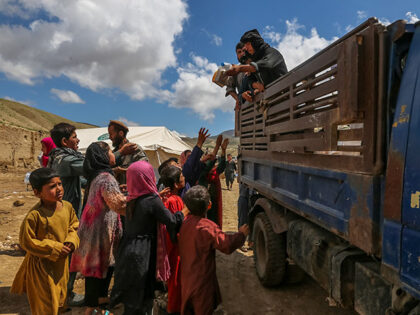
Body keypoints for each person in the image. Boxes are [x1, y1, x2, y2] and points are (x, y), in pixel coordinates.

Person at [110, 161, 187, 315]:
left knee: (132, 294)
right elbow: (171, 221)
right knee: (143, 293)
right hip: (143, 251)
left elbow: (144, 209)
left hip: (127, 249)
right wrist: (184, 211)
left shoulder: (131, 198)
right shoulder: (152, 199)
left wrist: (158, 197)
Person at [10, 168, 79, 315]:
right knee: (45, 305)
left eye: (60, 184)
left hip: (61, 264)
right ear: (37, 192)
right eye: (52, 187)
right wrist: (54, 248)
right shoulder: (35, 216)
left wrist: (71, 242)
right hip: (41, 268)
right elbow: (26, 242)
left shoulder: (67, 207)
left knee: (60, 296)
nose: (59, 189)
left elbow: (74, 226)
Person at [70, 142, 126, 315]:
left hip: (92, 229)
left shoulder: (98, 176)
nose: (112, 153)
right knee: (99, 271)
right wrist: (141, 197)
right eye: (109, 151)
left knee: (96, 271)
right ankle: (92, 308)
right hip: (99, 233)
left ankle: (97, 306)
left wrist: (120, 192)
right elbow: (118, 205)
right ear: (102, 156)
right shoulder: (107, 178)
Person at [178, 185, 249, 315]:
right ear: (209, 205)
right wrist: (241, 235)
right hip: (202, 284)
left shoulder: (183, 223)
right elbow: (226, 245)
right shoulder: (207, 227)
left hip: (187, 280)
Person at [226, 29, 288, 102]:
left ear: (255, 43)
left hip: (284, 96)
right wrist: (255, 85)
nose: (246, 48)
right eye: (245, 45)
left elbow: (265, 65)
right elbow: (249, 79)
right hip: (273, 100)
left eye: (248, 44)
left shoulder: (272, 53)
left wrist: (240, 68)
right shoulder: (256, 58)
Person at [159, 165, 186, 314]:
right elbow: (177, 224)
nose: (184, 177)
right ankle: (174, 308)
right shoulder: (175, 200)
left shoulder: (167, 199)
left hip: (168, 243)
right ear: (176, 184)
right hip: (175, 245)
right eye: (181, 176)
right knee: (176, 277)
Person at [198, 136, 229, 228]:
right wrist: (217, 146)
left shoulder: (215, 171)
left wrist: (223, 150)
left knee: (215, 218)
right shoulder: (202, 172)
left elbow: (222, 165)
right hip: (204, 200)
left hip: (214, 199)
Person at [108, 120, 148, 185]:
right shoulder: (114, 153)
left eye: (111, 134)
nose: (110, 137)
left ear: (121, 133)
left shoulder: (134, 148)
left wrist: (123, 171)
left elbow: (144, 169)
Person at [225, 42, 248, 110]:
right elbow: (229, 88)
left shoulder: (256, 64)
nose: (242, 53)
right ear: (236, 55)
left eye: (244, 51)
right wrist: (238, 99)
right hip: (244, 107)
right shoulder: (235, 69)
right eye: (239, 52)